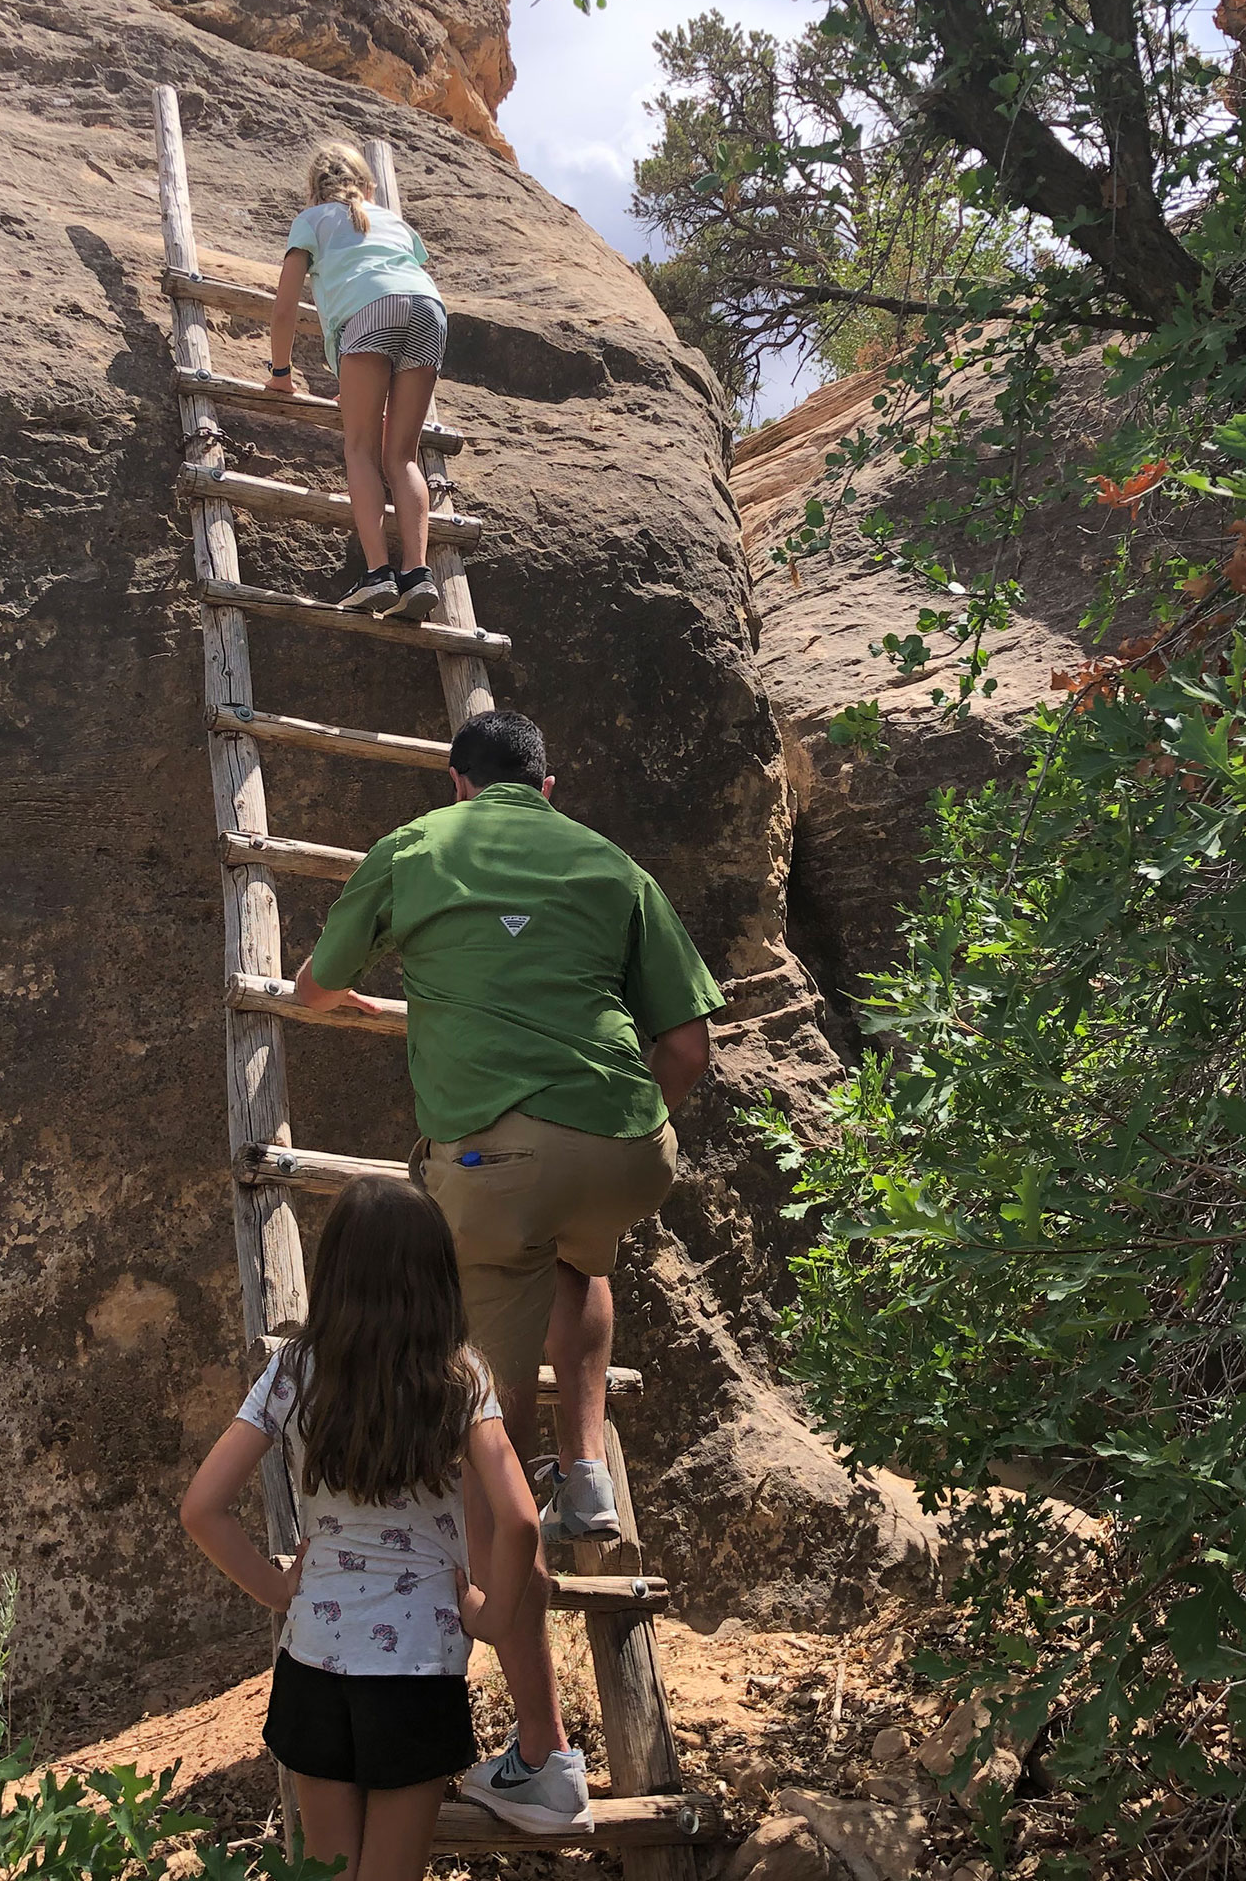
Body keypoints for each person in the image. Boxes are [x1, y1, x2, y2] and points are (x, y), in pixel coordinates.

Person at [291, 710, 724, 1833]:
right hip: (625, 1149)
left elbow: (310, 993)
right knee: (584, 1254)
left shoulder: (414, 848)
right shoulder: (612, 864)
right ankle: (586, 1467)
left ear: (454, 780)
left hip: (491, 1165)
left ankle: (544, 1753)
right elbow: (686, 1050)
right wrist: (608, 1132)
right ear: (550, 778)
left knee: (493, 1478)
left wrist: (401, 1006)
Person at [181, 1177, 550, 1881]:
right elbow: (521, 1521)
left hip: (313, 1658)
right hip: (417, 1668)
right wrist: (493, 1617)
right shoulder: (460, 1377)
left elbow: (202, 1507)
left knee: (329, 1870)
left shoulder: (294, 1369)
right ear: (438, 1275)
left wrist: (274, 1588)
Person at [267, 142, 447, 621]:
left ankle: (379, 575)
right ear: (368, 185)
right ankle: (418, 573)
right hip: (429, 311)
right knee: (402, 455)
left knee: (361, 447)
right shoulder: (393, 221)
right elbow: (399, 284)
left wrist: (281, 373)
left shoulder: (311, 221)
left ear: (314, 190)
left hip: (369, 315)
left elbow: (285, 307)